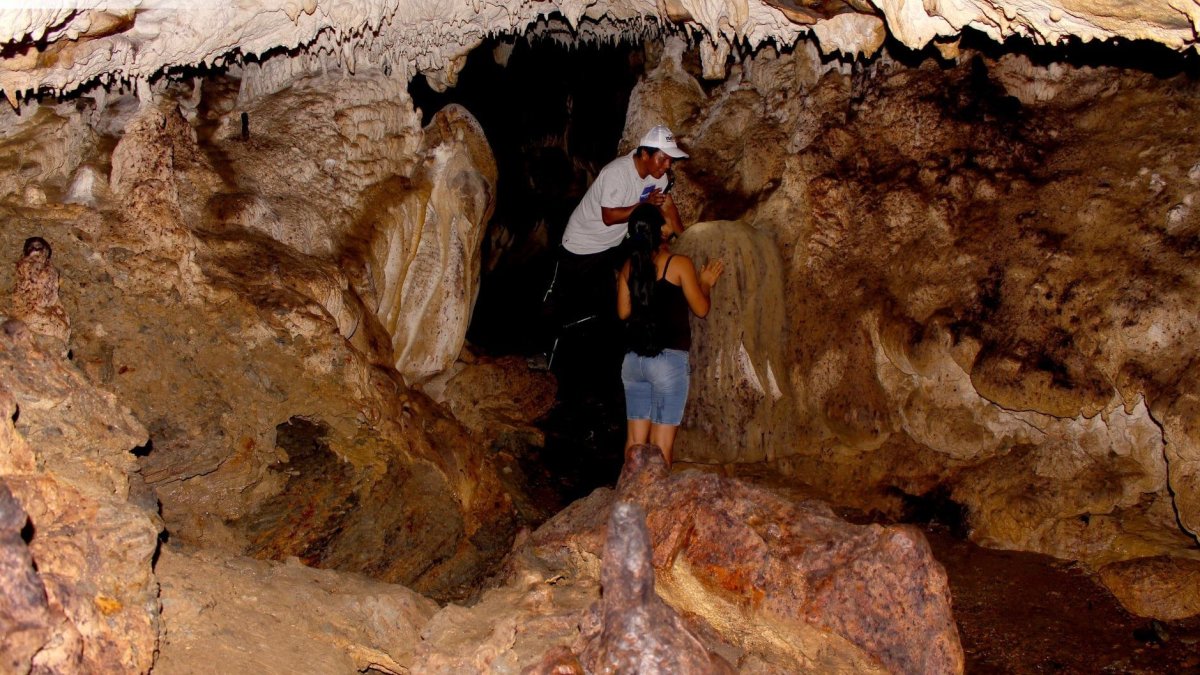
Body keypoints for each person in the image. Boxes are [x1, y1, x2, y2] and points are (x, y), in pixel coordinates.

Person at [536, 125, 688, 372]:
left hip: (613, 245)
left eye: (671, 159)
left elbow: (665, 207)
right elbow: (609, 216)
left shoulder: (658, 176)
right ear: (645, 154)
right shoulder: (616, 173)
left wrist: (685, 238)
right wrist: (642, 205)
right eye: (664, 158)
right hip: (580, 244)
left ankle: (611, 355)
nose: (667, 165)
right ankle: (542, 351)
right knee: (558, 302)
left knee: (614, 302)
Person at [617, 203, 724, 467]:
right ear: (661, 231)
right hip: (667, 363)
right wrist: (706, 284)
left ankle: (629, 501)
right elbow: (701, 308)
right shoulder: (678, 264)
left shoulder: (629, 267)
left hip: (633, 363)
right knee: (660, 446)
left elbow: (623, 313)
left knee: (634, 443)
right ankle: (655, 505)